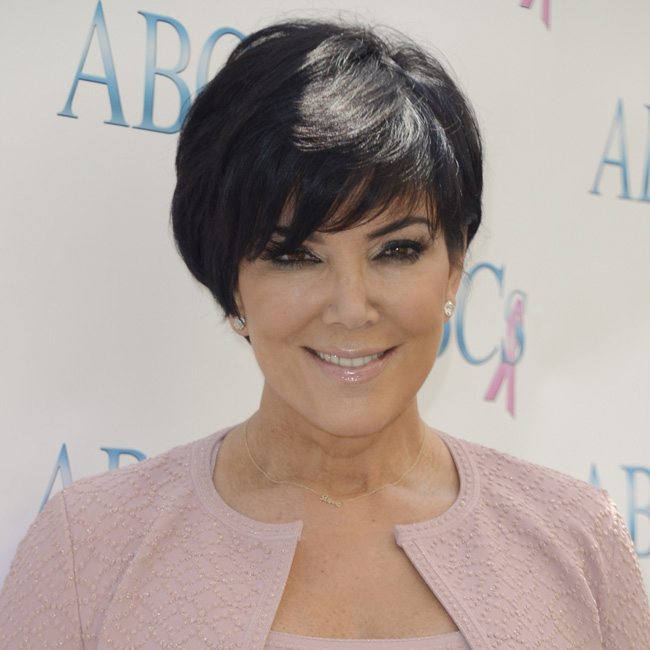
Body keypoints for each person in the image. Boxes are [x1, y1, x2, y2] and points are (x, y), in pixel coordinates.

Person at [1, 19, 649, 650]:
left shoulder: (577, 541)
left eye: (397, 250)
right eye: (295, 255)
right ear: (231, 284)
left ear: (454, 267)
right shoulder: (90, 548)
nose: (352, 308)